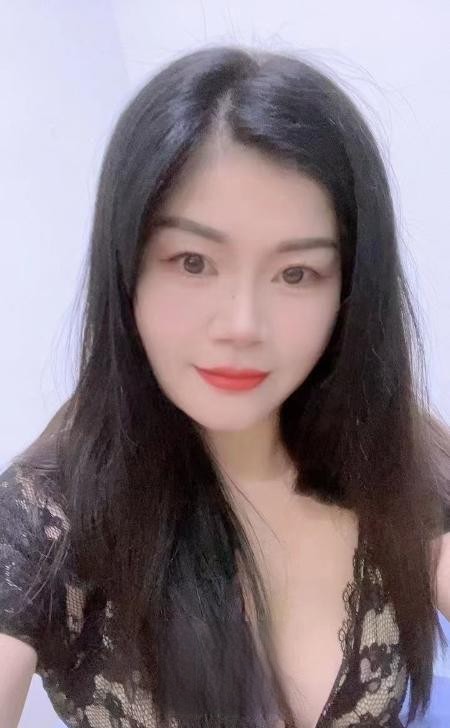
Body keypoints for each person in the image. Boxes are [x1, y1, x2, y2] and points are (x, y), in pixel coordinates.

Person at [0, 44, 449, 728]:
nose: (242, 325)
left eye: (296, 273)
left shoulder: (393, 453)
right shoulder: (44, 517)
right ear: (127, 268)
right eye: (192, 261)